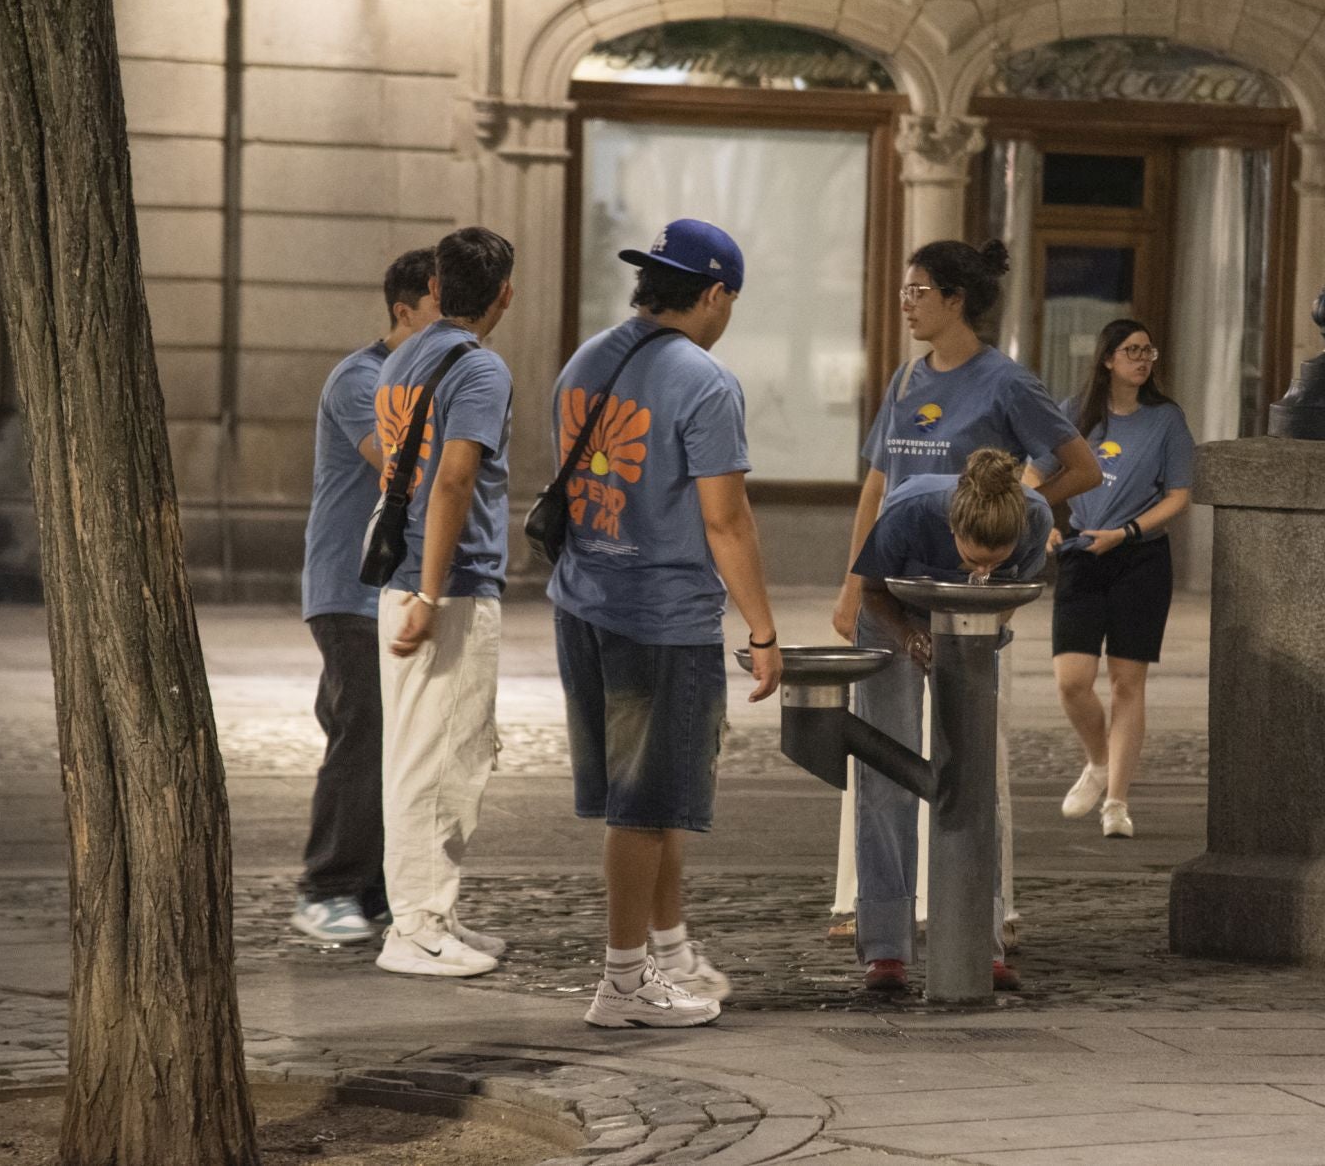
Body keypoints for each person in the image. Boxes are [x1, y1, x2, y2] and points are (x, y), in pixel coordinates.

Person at [826, 238, 1101, 943]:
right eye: (904, 291)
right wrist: (853, 583)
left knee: (972, 754)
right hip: (894, 582)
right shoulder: (907, 381)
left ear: (956, 300)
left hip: (969, 596)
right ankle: (878, 918)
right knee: (883, 754)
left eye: (919, 291)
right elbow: (878, 485)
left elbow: (1080, 466)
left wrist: (1018, 503)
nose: (906, 303)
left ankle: (988, 908)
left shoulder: (1005, 382)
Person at [550, 218, 783, 1029]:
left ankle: (667, 950)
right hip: (661, 617)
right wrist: (763, 630)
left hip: (584, 602)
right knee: (645, 806)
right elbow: (727, 521)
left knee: (659, 795)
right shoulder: (705, 380)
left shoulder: (588, 358)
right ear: (715, 294)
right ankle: (621, 984)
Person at [848, 448, 1053, 993]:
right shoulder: (911, 512)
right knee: (888, 776)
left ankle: (977, 939)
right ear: (952, 527)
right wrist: (913, 638)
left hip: (973, 622)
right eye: (971, 559)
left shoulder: (1034, 519)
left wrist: (977, 627)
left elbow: (1009, 594)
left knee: (973, 778)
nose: (983, 570)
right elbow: (871, 593)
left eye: (995, 559)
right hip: (894, 618)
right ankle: (887, 947)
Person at [371, 226, 517, 978]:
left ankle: (434, 911)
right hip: (447, 586)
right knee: (443, 760)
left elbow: (399, 467)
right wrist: (432, 590)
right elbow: (452, 480)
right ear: (503, 295)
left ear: (435, 284)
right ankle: (418, 927)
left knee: (425, 753)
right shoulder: (480, 370)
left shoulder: (404, 356)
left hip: (405, 580)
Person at [291, 247, 442, 943]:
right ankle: (327, 886)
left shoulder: (434, 380)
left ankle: (376, 889)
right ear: (402, 312)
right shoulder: (363, 379)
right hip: (349, 588)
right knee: (363, 731)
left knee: (395, 739)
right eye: (437, 317)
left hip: (394, 589)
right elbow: (401, 471)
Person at [1032, 319, 1194, 841]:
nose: (1143, 359)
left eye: (1149, 350)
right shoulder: (1073, 414)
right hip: (1082, 553)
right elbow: (1032, 475)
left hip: (1140, 559)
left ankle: (1117, 804)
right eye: (1132, 350)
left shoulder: (1166, 419)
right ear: (1107, 359)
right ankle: (1098, 762)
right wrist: (1043, 527)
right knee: (1071, 680)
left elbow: (1178, 496)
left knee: (1128, 682)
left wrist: (1125, 533)